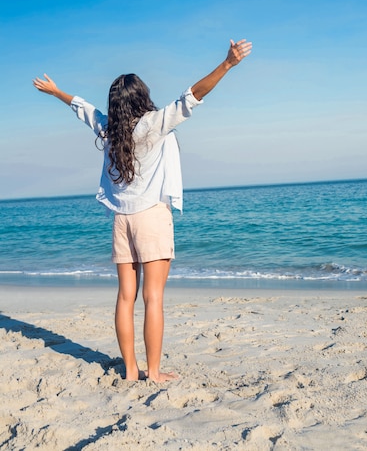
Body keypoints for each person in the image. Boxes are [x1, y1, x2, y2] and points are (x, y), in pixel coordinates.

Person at [33, 38, 252, 383]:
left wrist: (57, 92)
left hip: (122, 220)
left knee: (125, 297)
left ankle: (131, 371)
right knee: (153, 298)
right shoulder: (152, 125)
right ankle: (152, 372)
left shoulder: (109, 129)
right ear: (142, 97)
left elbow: (83, 108)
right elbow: (192, 96)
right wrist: (227, 64)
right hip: (151, 217)